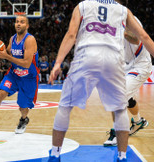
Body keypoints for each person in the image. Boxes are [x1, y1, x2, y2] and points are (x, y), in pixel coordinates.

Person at [48, 0, 154, 161]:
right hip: (119, 63)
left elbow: (139, 39)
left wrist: (122, 30)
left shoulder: (93, 7)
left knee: (119, 98)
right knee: (123, 100)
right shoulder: (120, 10)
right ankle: (136, 125)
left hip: (139, 64)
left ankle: (55, 153)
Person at [104, 16, 152, 147]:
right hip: (125, 65)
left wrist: (119, 31)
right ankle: (138, 122)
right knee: (129, 99)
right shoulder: (107, 21)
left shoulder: (131, 19)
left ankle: (117, 133)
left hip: (140, 65)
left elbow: (136, 39)